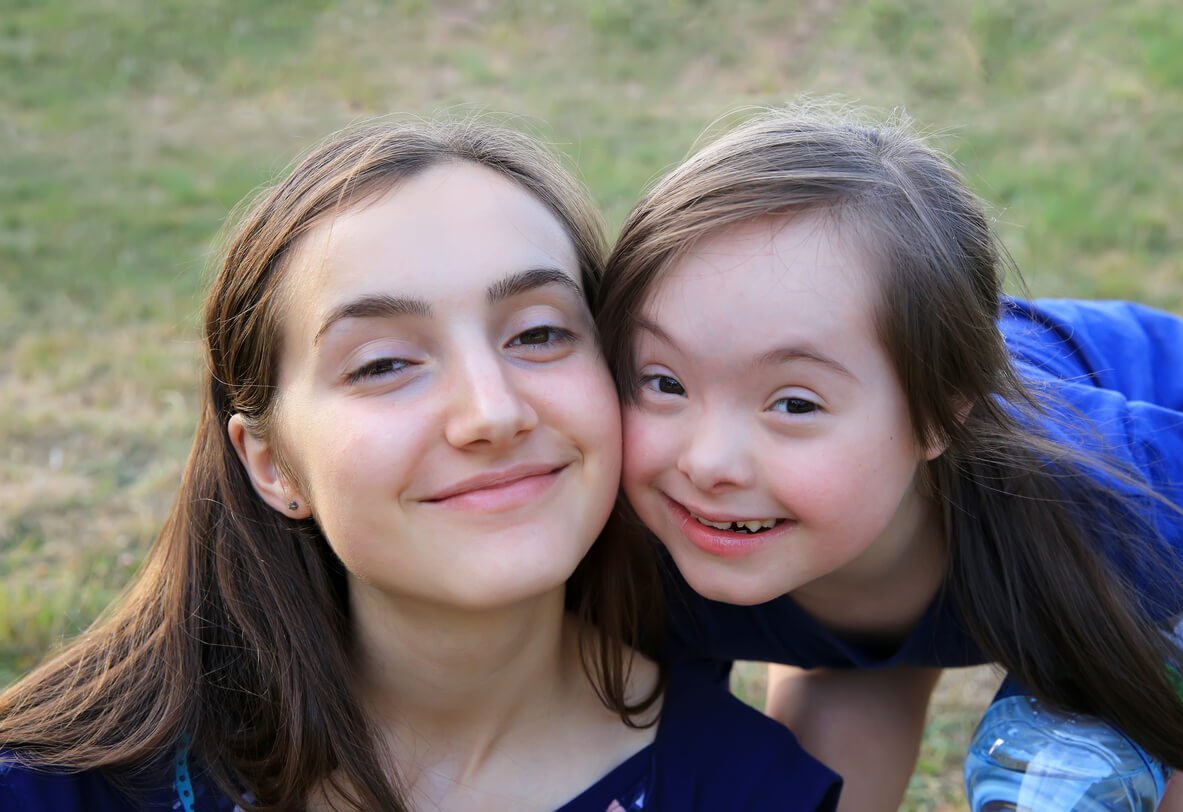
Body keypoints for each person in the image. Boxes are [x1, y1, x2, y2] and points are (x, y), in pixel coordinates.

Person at [0, 119, 842, 811]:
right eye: (383, 364)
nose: (493, 413)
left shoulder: (752, 792)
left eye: (539, 333)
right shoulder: (64, 785)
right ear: (272, 466)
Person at [596, 103, 1183, 810]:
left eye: (794, 404)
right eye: (665, 382)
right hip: (862, 576)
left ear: (940, 415)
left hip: (1123, 510)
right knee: (817, 756)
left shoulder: (1091, 489)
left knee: (1091, 767)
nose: (709, 462)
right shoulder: (622, 542)